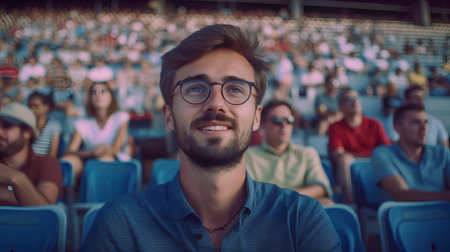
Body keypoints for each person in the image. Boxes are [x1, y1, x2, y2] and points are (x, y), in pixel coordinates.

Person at [82, 24, 341, 251]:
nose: (216, 104)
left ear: (256, 117)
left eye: (236, 89)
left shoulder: (302, 220)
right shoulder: (119, 226)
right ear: (169, 116)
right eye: (195, 89)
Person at [246, 100, 333, 206]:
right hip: (264, 213)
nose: (284, 125)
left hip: (300, 209)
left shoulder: (307, 153)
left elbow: (321, 187)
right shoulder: (249, 156)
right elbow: (249, 195)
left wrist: (284, 198)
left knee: (327, 204)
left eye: (289, 120)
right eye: (276, 120)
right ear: (262, 124)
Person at [371, 104, 450, 202]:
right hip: (404, 215)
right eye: (415, 122)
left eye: (426, 122)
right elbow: (403, 196)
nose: (424, 128)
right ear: (397, 127)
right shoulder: (383, 154)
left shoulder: (443, 153)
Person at [60, 82, 131, 183]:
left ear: (111, 96)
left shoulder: (121, 117)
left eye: (103, 91)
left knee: (104, 160)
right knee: (68, 161)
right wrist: (92, 153)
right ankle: (68, 197)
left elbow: (115, 150)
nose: (98, 95)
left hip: (116, 162)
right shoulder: (83, 122)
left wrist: (104, 151)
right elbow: (70, 151)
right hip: (89, 160)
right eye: (94, 92)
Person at [328, 89, 390, 203]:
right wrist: (370, 154)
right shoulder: (335, 127)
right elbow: (337, 153)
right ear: (341, 106)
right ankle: (351, 204)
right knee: (344, 160)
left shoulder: (374, 124)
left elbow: (386, 151)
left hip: (375, 166)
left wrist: (354, 155)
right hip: (351, 169)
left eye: (357, 99)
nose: (355, 102)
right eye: (350, 100)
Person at [0, 102, 62, 206]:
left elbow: (46, 214)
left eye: (6, 126)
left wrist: (18, 179)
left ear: (27, 132)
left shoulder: (47, 163)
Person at [28, 91, 62, 157]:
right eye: (30, 106)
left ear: (47, 107)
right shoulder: (27, 124)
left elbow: (53, 154)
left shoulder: (54, 125)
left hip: (44, 163)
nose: (32, 110)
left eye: (36, 106)